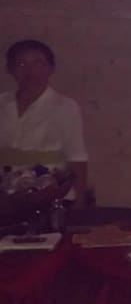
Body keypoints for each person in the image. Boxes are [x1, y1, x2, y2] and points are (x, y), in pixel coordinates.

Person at [0, 39, 88, 206]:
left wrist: (80, 203)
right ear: (9, 69)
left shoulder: (65, 107)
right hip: (6, 199)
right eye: (21, 64)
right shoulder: (2, 104)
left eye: (38, 63)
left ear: (51, 68)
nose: (30, 71)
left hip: (51, 197)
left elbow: (77, 157)